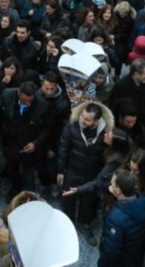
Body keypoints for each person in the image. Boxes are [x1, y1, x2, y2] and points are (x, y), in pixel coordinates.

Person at [57, 100, 113, 245]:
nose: (82, 120)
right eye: (82, 116)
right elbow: (63, 148)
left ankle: (84, 223)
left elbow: (110, 155)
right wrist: (60, 170)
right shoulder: (71, 127)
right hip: (73, 169)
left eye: (87, 119)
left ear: (97, 121)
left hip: (93, 173)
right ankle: (67, 223)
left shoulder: (107, 133)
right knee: (67, 197)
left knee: (89, 200)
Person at [0, 81, 51, 199]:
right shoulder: (7, 95)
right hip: (10, 142)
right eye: (24, 100)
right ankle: (15, 191)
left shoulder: (43, 105)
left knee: (28, 176)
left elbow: (47, 129)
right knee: (13, 170)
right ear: (18, 93)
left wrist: (35, 143)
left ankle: (29, 197)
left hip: (30, 146)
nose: (27, 103)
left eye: (30, 100)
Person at [98, 170, 145, 267]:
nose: (110, 186)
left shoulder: (115, 219)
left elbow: (111, 251)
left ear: (118, 190)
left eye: (112, 184)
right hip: (136, 258)